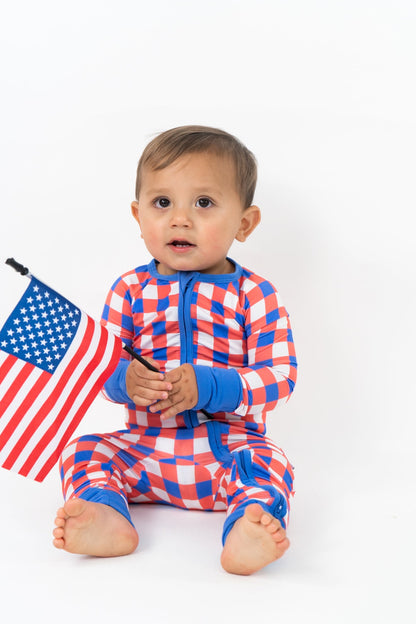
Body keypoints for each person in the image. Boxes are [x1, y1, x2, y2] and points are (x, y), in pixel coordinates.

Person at [52, 125, 297, 575]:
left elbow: (280, 379)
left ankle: (246, 526)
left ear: (245, 223)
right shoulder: (129, 290)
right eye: (162, 203)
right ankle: (106, 514)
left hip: (227, 449)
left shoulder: (254, 295)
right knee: (81, 450)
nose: (180, 219)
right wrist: (121, 380)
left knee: (271, 463)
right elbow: (100, 365)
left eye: (203, 203)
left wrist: (211, 385)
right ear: (138, 215)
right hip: (145, 451)